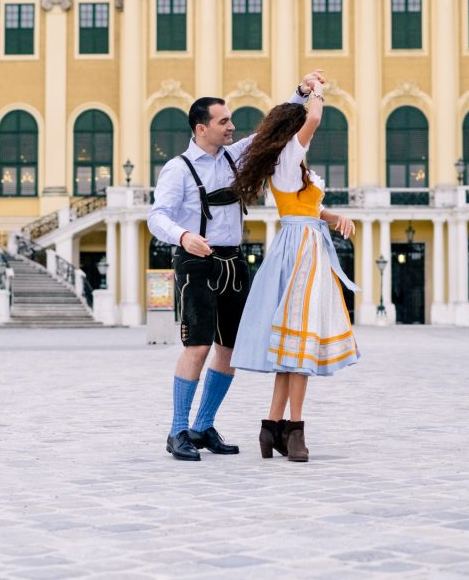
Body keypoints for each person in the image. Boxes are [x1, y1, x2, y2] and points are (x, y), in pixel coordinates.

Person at [148, 71, 327, 462]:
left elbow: (273, 130)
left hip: (233, 262)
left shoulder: (235, 154)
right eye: (223, 121)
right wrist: (182, 236)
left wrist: (300, 93)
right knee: (196, 347)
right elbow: (156, 216)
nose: (232, 126)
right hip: (196, 263)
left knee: (228, 350)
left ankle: (203, 426)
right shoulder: (177, 169)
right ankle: (178, 430)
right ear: (201, 128)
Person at [228, 77, 359, 463]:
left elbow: (309, 208)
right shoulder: (287, 159)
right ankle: (295, 430)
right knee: (300, 344)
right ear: (291, 131)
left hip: (304, 244)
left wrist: (333, 216)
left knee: (292, 347)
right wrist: (317, 90)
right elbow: (315, 118)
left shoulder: (291, 164)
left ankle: (272, 427)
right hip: (301, 251)